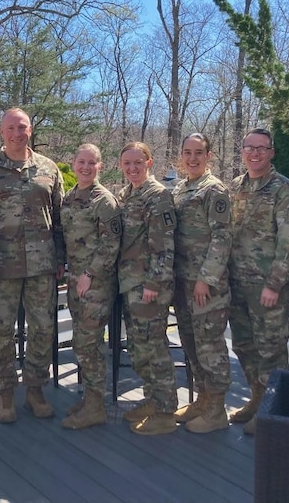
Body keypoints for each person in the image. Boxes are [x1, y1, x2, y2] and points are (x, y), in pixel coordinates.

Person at [0, 108, 66, 423]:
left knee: (43, 328)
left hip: (41, 266)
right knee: (1, 331)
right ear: (2, 132)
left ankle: (35, 389)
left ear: (30, 130)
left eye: (22, 127)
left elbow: (60, 218)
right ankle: (6, 392)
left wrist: (61, 258)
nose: (16, 133)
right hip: (1, 267)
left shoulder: (48, 169)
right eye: (10, 128)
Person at [228, 128, 289, 434]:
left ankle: (274, 412)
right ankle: (257, 399)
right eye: (249, 147)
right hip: (237, 284)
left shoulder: (284, 191)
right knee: (245, 346)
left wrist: (275, 283)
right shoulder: (235, 187)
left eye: (261, 148)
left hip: (266, 288)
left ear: (271, 153)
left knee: (271, 349)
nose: (255, 153)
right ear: (242, 151)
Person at [171, 133, 233, 434]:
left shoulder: (214, 190)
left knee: (210, 345)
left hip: (205, 286)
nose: (192, 158)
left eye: (198, 153)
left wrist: (206, 279)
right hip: (182, 281)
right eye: (187, 153)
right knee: (191, 343)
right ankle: (202, 399)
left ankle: (217, 409)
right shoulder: (182, 188)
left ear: (209, 156)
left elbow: (222, 238)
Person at [117, 142, 178, 436]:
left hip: (149, 285)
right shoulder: (127, 194)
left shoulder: (158, 197)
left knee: (155, 349)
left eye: (137, 163)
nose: (132, 168)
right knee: (139, 348)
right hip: (131, 284)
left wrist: (154, 283)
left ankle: (166, 411)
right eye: (127, 163)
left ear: (149, 162)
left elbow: (164, 247)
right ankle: (152, 400)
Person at [60, 144, 122, 430]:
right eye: (81, 162)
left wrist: (88, 273)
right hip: (75, 282)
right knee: (82, 343)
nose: (85, 167)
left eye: (92, 163)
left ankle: (96, 406)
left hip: (95, 283)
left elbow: (111, 245)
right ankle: (90, 398)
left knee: (90, 344)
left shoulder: (103, 201)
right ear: (73, 164)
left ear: (100, 166)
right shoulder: (70, 198)